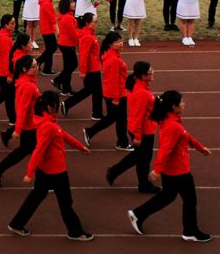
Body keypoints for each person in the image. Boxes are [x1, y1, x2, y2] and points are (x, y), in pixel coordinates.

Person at [127, 90, 213, 242]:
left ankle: (138, 214)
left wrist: (200, 147)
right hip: (179, 171)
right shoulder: (173, 125)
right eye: (181, 102)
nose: (184, 104)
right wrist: (157, 169)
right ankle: (190, 231)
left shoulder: (170, 121)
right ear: (174, 107)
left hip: (172, 170)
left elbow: (185, 136)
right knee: (190, 200)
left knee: (167, 196)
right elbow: (165, 149)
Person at [6, 91, 93, 241]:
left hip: (45, 170)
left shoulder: (48, 121)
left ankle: (17, 223)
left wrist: (80, 147)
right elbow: (38, 150)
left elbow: (62, 134)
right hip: (56, 171)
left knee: (37, 196)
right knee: (66, 202)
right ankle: (75, 232)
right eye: (57, 104)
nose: (58, 106)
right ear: (49, 107)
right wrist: (29, 173)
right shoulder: (48, 126)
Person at [108, 61, 160, 193]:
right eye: (150, 71)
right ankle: (142, 184)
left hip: (137, 127)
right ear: (142, 75)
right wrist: (138, 136)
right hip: (143, 130)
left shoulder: (136, 85)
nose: (153, 72)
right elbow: (139, 115)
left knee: (140, 157)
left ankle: (118, 173)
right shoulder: (143, 92)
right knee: (143, 159)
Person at [0, 55, 39, 187]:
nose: (37, 69)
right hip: (31, 125)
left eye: (37, 65)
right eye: (33, 67)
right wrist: (17, 130)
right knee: (37, 151)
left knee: (28, 151)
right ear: (24, 69)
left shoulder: (27, 81)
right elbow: (23, 109)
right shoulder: (28, 86)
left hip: (32, 124)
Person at [82, 31, 130, 150]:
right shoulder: (114, 59)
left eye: (121, 41)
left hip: (111, 92)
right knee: (120, 119)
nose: (120, 44)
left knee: (114, 118)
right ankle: (121, 142)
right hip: (116, 94)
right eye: (117, 42)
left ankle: (92, 132)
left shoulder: (109, 55)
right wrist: (116, 98)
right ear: (110, 45)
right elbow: (114, 80)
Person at [62, 13, 103, 120]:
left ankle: (67, 104)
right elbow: (84, 55)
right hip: (92, 68)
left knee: (89, 90)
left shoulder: (88, 34)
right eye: (95, 22)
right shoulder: (87, 37)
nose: (96, 24)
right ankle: (97, 114)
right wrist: (83, 71)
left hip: (93, 66)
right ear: (87, 23)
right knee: (96, 91)